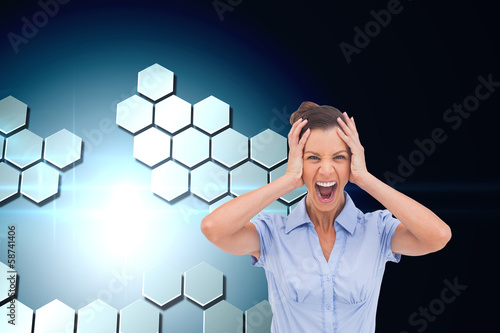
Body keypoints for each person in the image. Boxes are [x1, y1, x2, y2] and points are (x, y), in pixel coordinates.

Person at [201, 102, 452, 332]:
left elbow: (437, 237)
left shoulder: (377, 230)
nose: (326, 169)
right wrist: (287, 180)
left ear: (352, 161)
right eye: (313, 158)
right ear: (298, 161)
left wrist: (365, 179)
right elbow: (214, 228)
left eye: (339, 157)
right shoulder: (272, 233)